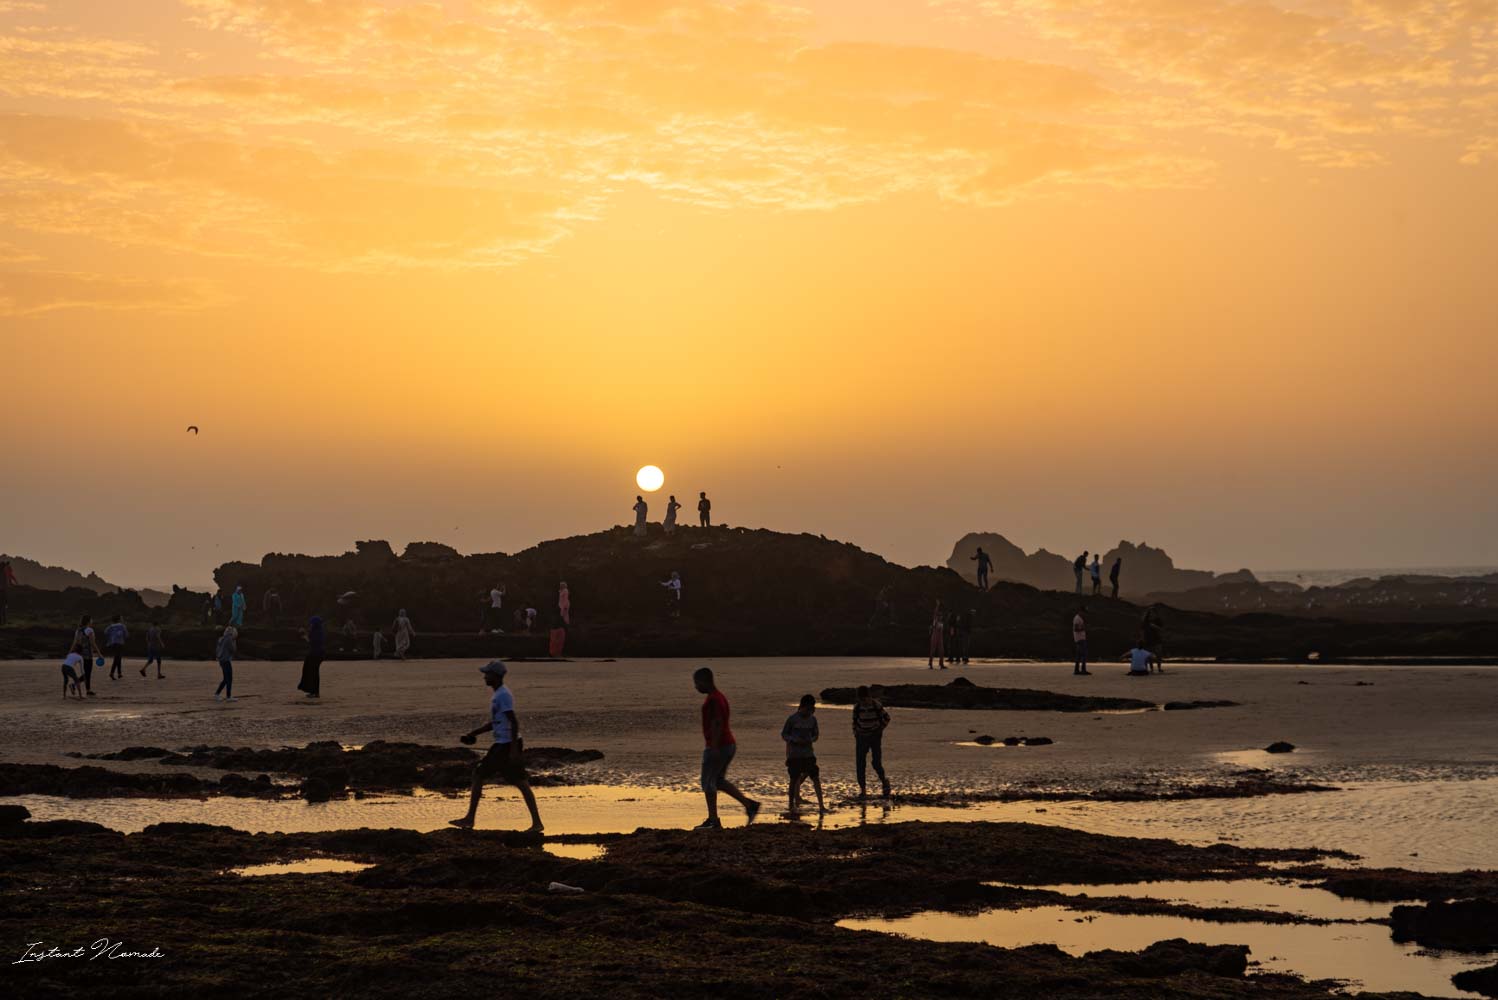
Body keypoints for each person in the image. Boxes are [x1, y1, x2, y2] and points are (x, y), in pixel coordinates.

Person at [450, 660, 544, 833]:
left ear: (496, 676)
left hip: (507, 744)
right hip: (503, 743)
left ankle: (469, 819)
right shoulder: (498, 695)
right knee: (520, 782)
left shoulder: (503, 695)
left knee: (479, 774)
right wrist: (473, 734)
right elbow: (495, 722)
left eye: (487, 674)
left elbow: (513, 722)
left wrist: (514, 750)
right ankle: (537, 823)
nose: (484, 677)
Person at [693, 666, 759, 829]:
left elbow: (717, 723)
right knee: (718, 781)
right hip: (728, 744)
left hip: (720, 745)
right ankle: (749, 805)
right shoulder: (719, 697)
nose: (696, 687)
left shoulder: (714, 699)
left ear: (704, 681)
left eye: (697, 683)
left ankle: (713, 820)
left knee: (708, 782)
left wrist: (714, 747)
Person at [782, 694, 824, 814]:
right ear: (803, 706)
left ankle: (821, 806)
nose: (812, 711)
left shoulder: (813, 719)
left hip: (808, 753)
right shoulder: (792, 719)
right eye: (810, 708)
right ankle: (791, 806)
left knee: (815, 777)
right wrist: (794, 740)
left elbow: (816, 735)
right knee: (794, 779)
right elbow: (784, 734)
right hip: (794, 754)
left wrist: (811, 739)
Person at [852, 685, 892, 800]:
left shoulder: (876, 705)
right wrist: (856, 733)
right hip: (861, 737)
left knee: (876, 762)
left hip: (875, 736)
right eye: (860, 699)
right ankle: (863, 790)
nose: (863, 702)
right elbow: (854, 722)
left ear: (869, 697)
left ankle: (884, 782)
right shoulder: (857, 707)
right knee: (860, 764)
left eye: (864, 699)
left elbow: (887, 718)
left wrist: (879, 729)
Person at [71, 614, 102, 696]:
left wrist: (70, 652)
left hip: (80, 654)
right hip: (88, 654)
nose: (92, 621)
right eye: (91, 620)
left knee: (86, 672)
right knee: (87, 673)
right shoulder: (89, 630)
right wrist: (99, 654)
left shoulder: (78, 630)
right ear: (88, 621)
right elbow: (92, 643)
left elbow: (75, 643)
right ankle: (74, 684)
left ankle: (88, 690)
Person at [298, 615, 324, 698]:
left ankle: (314, 692)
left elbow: (312, 642)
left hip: (315, 654)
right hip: (317, 654)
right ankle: (314, 691)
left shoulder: (316, 632)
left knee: (312, 672)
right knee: (313, 672)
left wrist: (305, 636)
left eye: (311, 623)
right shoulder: (319, 631)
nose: (310, 625)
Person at [214, 626, 237, 701]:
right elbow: (233, 650)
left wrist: (218, 657)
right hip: (226, 660)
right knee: (229, 678)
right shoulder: (229, 639)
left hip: (221, 660)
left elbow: (217, 650)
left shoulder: (221, 638)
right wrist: (234, 640)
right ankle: (228, 696)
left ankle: (218, 694)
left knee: (226, 679)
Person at [103, 615, 128, 680]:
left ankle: (119, 673)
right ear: (119, 619)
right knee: (117, 658)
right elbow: (126, 634)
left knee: (118, 657)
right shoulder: (122, 626)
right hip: (120, 643)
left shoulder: (111, 626)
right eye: (121, 618)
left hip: (113, 643)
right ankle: (111, 673)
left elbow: (105, 632)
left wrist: (111, 637)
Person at [1141, 608, 1165, 672]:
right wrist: (1142, 640)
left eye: (1153, 613)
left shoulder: (1158, 621)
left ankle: (1159, 668)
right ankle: (1151, 669)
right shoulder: (1145, 622)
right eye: (1150, 613)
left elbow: (1162, 630)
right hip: (1148, 640)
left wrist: (1155, 626)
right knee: (1149, 656)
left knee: (1158, 655)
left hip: (1157, 640)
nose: (1152, 614)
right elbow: (1142, 631)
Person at [927, 600, 945, 669]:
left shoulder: (941, 622)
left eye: (941, 616)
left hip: (940, 638)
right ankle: (930, 663)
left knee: (941, 651)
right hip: (935, 637)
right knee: (933, 650)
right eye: (940, 615)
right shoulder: (935, 620)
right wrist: (937, 605)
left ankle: (941, 664)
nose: (941, 616)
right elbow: (935, 613)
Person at [1072, 606, 1090, 675]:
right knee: (1083, 654)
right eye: (1083, 612)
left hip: (1080, 639)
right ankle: (1083, 670)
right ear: (1080, 611)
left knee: (1079, 655)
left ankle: (1077, 670)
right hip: (1080, 639)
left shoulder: (1079, 618)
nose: (1084, 614)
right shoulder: (1077, 618)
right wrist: (1083, 628)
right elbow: (1075, 629)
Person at [0, 559, 16, 626]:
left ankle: (3, 621)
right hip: (3, 591)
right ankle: (3, 621)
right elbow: (5, 583)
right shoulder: (4, 573)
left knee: (2, 607)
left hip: (2, 591)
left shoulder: (3, 573)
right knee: (3, 607)